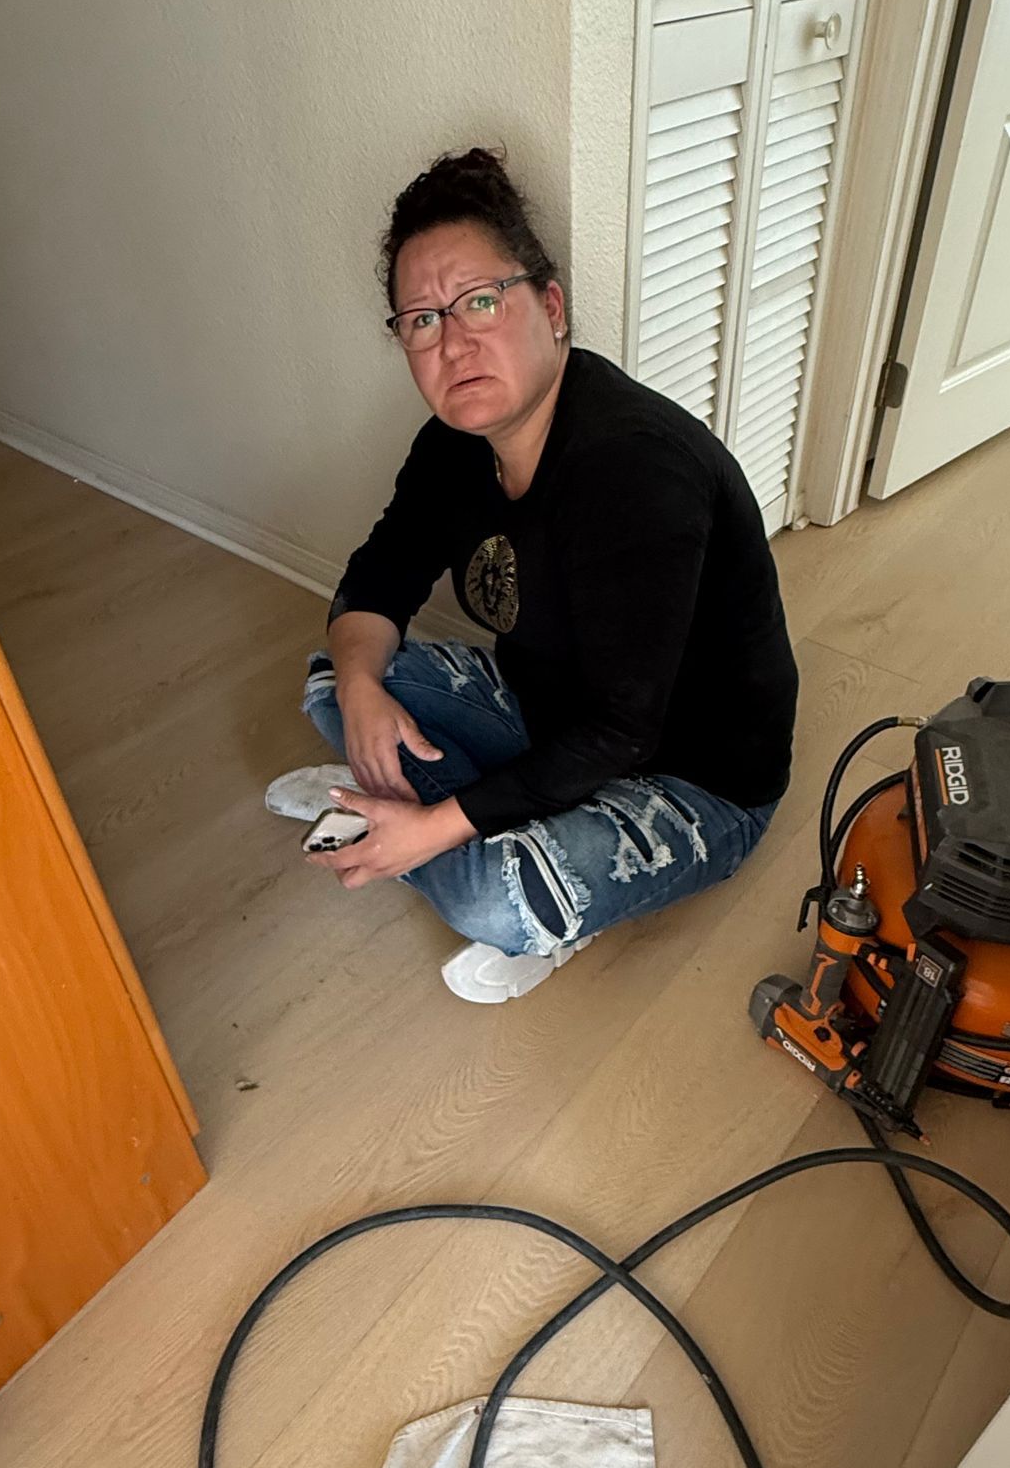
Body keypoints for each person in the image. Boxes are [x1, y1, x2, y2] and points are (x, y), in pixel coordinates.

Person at [265, 148, 799, 1003]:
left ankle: (409, 827)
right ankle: (421, 813)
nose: (455, 340)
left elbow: (623, 731)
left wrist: (430, 832)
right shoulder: (454, 443)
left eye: (480, 300)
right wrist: (367, 688)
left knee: (492, 903)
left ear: (550, 308)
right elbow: (382, 572)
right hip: (546, 711)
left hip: (693, 774)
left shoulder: (635, 469)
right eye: (422, 319)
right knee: (338, 680)